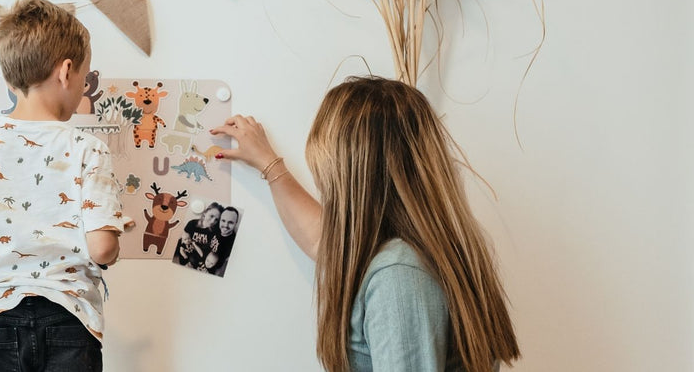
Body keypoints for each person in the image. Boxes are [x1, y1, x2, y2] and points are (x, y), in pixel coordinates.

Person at [211, 76, 520, 372]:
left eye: (324, 166)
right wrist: (268, 163)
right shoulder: (395, 256)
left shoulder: (398, 277)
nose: (322, 179)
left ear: (350, 174)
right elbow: (323, 241)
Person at [0, 0, 133, 372]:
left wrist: (3, 262)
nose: (82, 87)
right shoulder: (87, 149)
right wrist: (114, 237)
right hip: (69, 317)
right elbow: (102, 247)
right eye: (84, 76)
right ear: (66, 72)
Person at [172, 202, 222, 270]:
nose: (213, 221)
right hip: (188, 248)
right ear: (205, 213)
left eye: (216, 219)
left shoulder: (215, 231)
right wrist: (182, 250)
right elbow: (184, 238)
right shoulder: (192, 223)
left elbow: (210, 250)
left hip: (200, 253)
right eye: (211, 216)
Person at [205, 206, 239, 277]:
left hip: (213, 269)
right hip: (204, 260)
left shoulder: (234, 242)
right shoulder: (215, 228)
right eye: (223, 221)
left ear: (236, 223)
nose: (225, 225)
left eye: (230, 222)